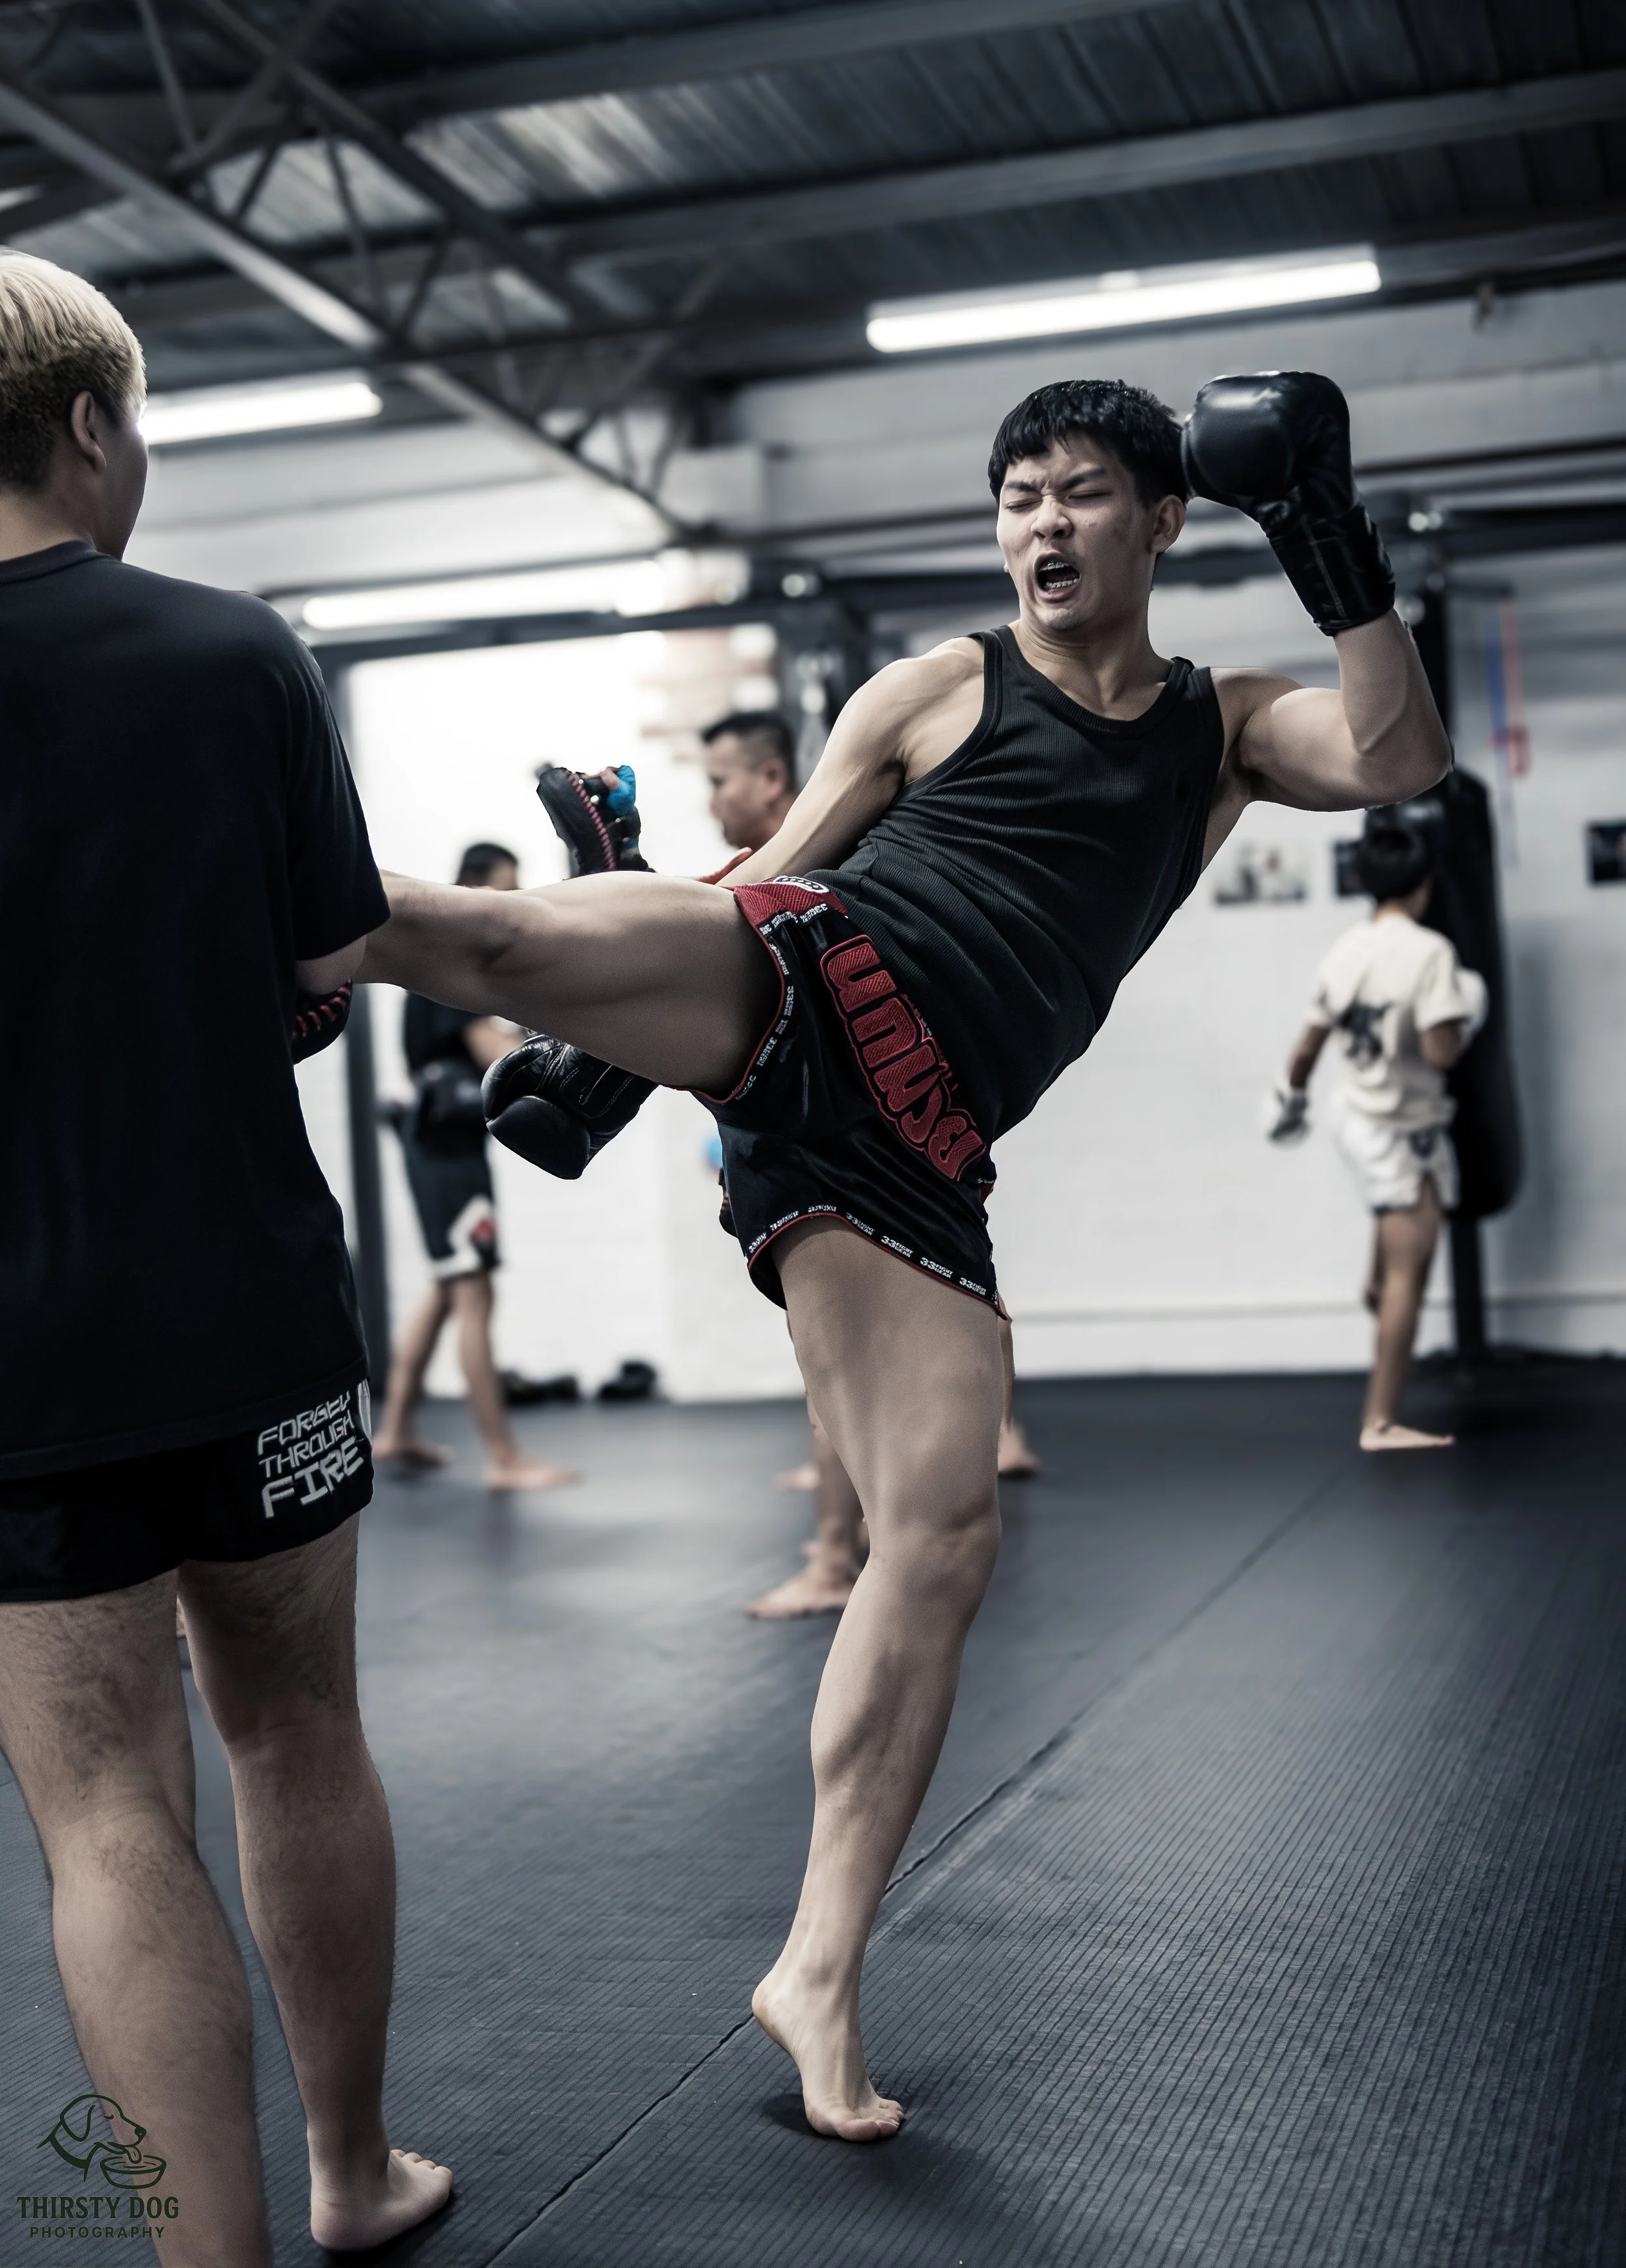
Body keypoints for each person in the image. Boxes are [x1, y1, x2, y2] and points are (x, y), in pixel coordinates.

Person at [364, 369, 1450, 2142]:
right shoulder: (935, 686)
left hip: (929, 1148)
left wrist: (1324, 534)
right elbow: (770, 878)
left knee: (937, 1538)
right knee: (489, 938)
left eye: (1081, 490)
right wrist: (616, 1037)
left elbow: (1400, 758)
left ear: (1163, 518)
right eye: (1017, 492)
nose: (1041, 520)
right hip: (811, 993)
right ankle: (246, 889)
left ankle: (815, 1968)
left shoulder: (1219, 729)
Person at [0, 252, 449, 2261]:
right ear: (92, 424)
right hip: (242, 1299)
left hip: (17, 1351)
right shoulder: (233, 652)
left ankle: (215, 2255)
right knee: (298, 1727)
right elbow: (326, 961)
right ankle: (354, 2174)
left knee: (104, 1805)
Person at [1267, 823, 1486, 1451]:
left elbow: (1309, 1044)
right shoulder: (1431, 954)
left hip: (1358, 1118)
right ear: (1425, 884)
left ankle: (1373, 1277)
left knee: (1411, 1209)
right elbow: (1443, 1053)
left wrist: (1291, 1097)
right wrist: (1467, 1012)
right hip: (1398, 1127)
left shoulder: (1346, 949)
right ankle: (1381, 1422)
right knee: (1410, 1277)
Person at [373, 841, 576, 1490]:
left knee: (447, 1285)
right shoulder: (453, 960)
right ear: (471, 885)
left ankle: (397, 1427)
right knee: (475, 1293)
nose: (512, 902)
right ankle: (502, 1456)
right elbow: (496, 1048)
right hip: (449, 1151)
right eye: (505, 888)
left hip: (436, 1145)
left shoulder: (436, 958)